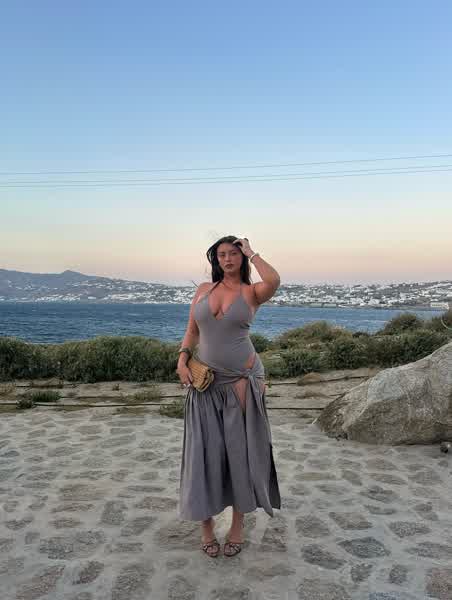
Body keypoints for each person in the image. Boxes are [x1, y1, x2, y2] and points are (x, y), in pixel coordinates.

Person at [177, 235, 281, 558]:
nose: (228, 259)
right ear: (216, 259)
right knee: (203, 455)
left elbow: (274, 280)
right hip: (205, 385)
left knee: (239, 456)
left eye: (234, 253)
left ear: (242, 257)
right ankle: (206, 527)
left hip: (241, 383)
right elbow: (192, 331)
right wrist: (182, 359)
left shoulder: (252, 292)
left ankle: (237, 525)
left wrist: (253, 252)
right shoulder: (203, 290)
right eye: (222, 254)